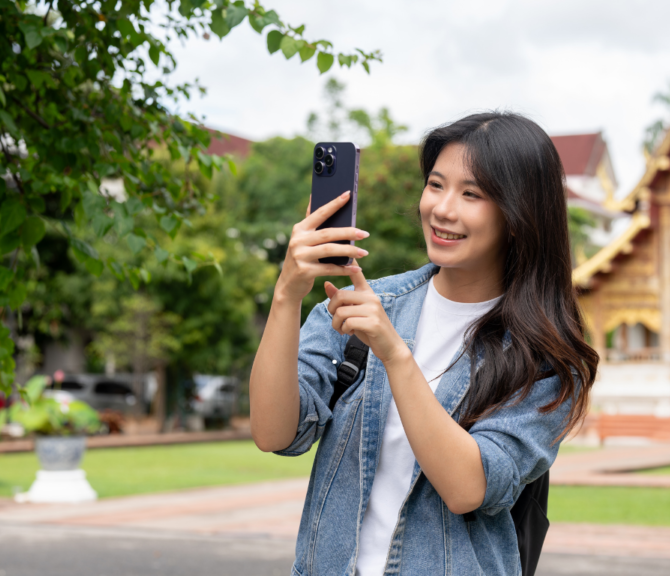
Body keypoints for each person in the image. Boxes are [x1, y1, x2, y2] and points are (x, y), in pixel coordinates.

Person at [249, 112, 599, 575]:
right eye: (436, 185)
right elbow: (275, 434)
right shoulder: (364, 306)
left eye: (471, 194)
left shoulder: (545, 361)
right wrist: (286, 295)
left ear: (518, 216)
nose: (442, 208)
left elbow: (468, 487)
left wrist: (395, 354)